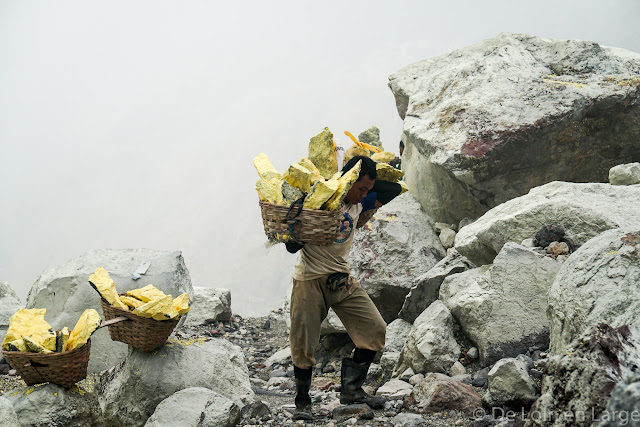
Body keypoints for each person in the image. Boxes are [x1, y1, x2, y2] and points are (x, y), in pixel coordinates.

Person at [285, 155, 402, 420]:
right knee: (303, 342)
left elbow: (393, 189)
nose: (364, 195)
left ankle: (351, 390)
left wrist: (383, 171)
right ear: (348, 182)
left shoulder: (360, 205)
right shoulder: (322, 204)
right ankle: (302, 401)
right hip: (309, 279)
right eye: (360, 188)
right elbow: (291, 246)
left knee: (375, 329)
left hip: (340, 279)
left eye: (368, 190)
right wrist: (316, 205)